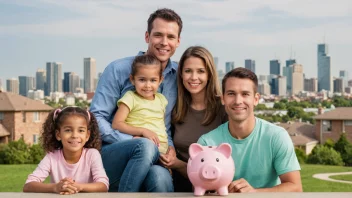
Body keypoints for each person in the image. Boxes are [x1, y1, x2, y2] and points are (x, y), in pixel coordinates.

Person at [90, 8, 182, 192]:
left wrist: (168, 149)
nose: (164, 42)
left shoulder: (179, 75)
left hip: (155, 154)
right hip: (114, 153)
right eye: (158, 35)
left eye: (171, 37)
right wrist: (133, 140)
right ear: (147, 36)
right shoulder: (118, 69)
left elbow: (164, 125)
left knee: (160, 178)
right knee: (145, 146)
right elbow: (96, 118)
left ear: (178, 41)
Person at [197, 67, 302, 193]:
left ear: (256, 99)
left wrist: (255, 193)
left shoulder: (277, 136)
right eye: (231, 94)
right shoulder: (207, 142)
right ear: (223, 99)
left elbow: (295, 188)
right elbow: (198, 189)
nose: (238, 101)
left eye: (245, 94)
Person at [162, 46, 227, 192]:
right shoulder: (174, 107)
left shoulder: (223, 107)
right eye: (188, 71)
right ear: (181, 75)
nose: (193, 77)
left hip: (216, 186)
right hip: (180, 185)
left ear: (209, 74)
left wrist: (178, 164)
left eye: (200, 71)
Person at [23, 107, 109, 195]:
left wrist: (78, 186)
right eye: (68, 130)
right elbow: (28, 185)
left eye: (81, 130)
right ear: (58, 134)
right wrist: (55, 187)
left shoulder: (92, 154)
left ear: (87, 135)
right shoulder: (51, 156)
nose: (75, 135)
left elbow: (103, 186)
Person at [112, 55, 168, 154]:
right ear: (132, 80)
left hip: (161, 150)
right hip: (141, 148)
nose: (147, 85)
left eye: (153, 80)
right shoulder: (130, 98)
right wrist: (142, 131)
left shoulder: (161, 100)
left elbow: (161, 125)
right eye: (142, 80)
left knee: (158, 170)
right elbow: (117, 124)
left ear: (160, 80)